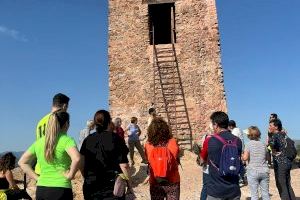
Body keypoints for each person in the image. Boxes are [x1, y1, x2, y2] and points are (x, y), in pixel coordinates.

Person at [19, 111, 80, 200]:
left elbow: (22, 162)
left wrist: (37, 178)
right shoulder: (66, 140)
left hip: (41, 189)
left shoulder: (39, 142)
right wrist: (71, 175)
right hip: (61, 188)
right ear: (66, 124)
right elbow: (77, 158)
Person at [80, 110, 134, 200]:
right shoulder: (115, 138)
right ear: (109, 122)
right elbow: (124, 165)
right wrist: (129, 186)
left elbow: (81, 164)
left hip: (91, 187)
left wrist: (87, 178)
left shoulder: (87, 140)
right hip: (111, 188)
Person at [201, 111, 242, 200]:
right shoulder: (238, 141)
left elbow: (202, 160)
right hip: (234, 190)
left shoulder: (211, 140)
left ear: (215, 125)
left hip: (216, 191)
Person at [34, 93, 70, 174]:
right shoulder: (59, 119)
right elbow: (61, 142)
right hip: (54, 167)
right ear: (64, 106)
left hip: (40, 166)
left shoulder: (40, 121)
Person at [145, 117, 180, 200]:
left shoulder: (148, 145)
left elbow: (148, 161)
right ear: (166, 129)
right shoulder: (173, 142)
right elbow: (176, 159)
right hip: (172, 180)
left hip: (155, 180)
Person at [269, 119, 296, 200]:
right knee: (288, 184)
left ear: (276, 127)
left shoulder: (275, 135)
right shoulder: (284, 134)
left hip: (281, 163)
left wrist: (272, 150)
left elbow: (271, 147)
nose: (269, 127)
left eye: (271, 126)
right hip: (288, 162)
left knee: (282, 186)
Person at [242, 126, 270, 200]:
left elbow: (245, 158)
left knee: (254, 194)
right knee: (265, 194)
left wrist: (241, 155)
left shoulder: (248, 144)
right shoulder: (263, 144)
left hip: (253, 171)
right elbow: (267, 158)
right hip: (264, 170)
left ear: (249, 135)